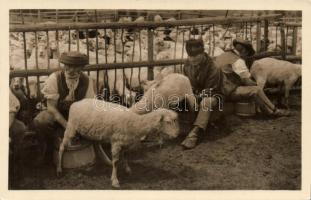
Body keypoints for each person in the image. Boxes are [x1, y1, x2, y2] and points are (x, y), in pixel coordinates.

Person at [181, 38, 290, 150]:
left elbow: (211, 90)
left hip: (218, 92)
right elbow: (187, 82)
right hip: (225, 88)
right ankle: (273, 111)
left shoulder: (215, 64)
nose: (193, 59)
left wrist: (196, 96)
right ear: (244, 52)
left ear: (203, 54)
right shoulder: (188, 65)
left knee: (207, 101)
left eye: (196, 56)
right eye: (190, 56)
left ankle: (195, 133)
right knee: (256, 89)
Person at [33, 51, 95, 162]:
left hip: (77, 115)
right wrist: (67, 125)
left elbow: (88, 107)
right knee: (41, 120)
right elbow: (51, 107)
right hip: (57, 113)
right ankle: (47, 149)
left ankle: (87, 148)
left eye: (76, 67)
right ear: (64, 65)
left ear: (82, 67)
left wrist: (78, 124)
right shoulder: (54, 78)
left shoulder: (87, 80)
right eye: (69, 66)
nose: (71, 70)